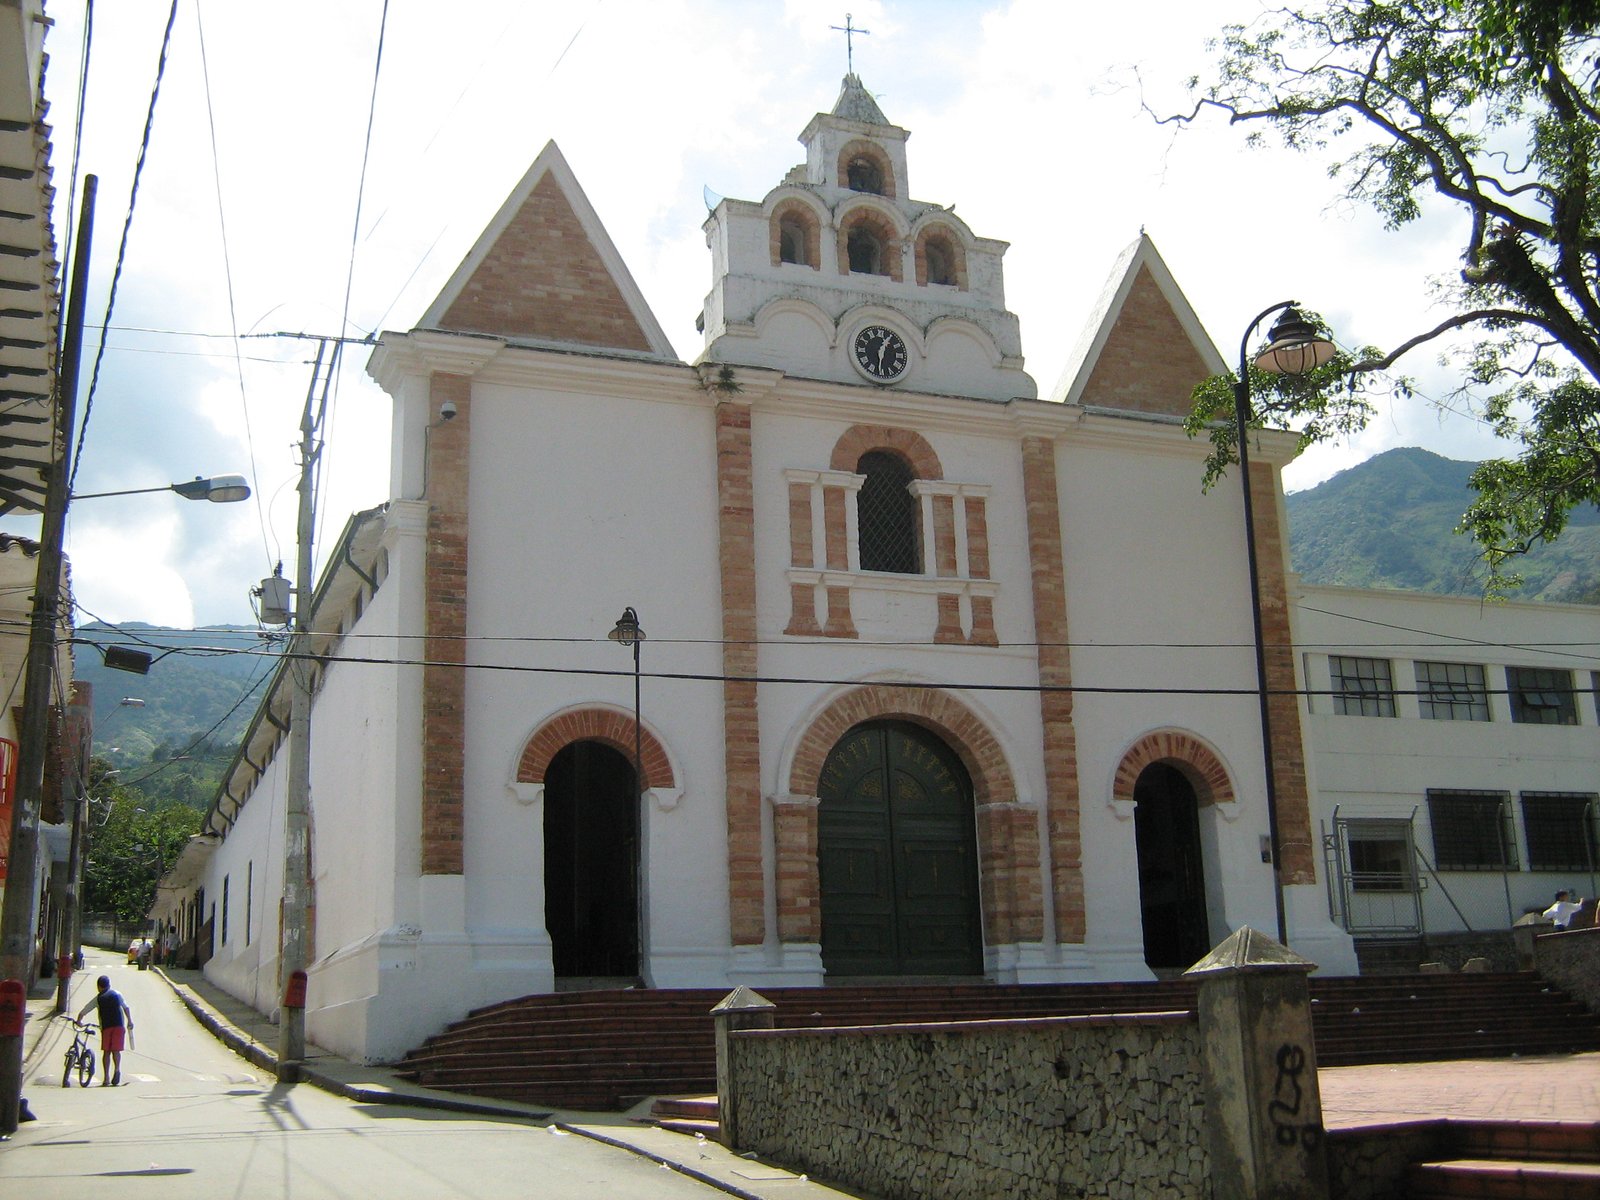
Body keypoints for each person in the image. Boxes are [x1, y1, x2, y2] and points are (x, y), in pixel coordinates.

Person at [76, 975, 133, 1086]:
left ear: (98, 987)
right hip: (119, 1026)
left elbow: (84, 1010)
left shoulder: (98, 998)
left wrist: (79, 1020)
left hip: (106, 1028)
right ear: (109, 985)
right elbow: (126, 1007)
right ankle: (117, 1070)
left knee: (106, 1052)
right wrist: (129, 1021)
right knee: (116, 1051)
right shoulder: (117, 994)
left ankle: (106, 1078)